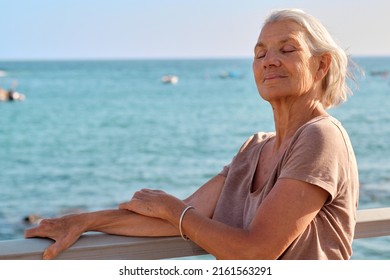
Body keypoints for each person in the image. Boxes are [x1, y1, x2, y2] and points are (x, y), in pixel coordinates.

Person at [25, 8, 360, 260]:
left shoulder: (321, 136)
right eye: (260, 53)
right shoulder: (254, 149)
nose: (269, 61)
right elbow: (180, 217)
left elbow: (256, 252)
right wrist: (84, 221)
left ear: (321, 65)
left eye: (287, 50)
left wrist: (173, 210)